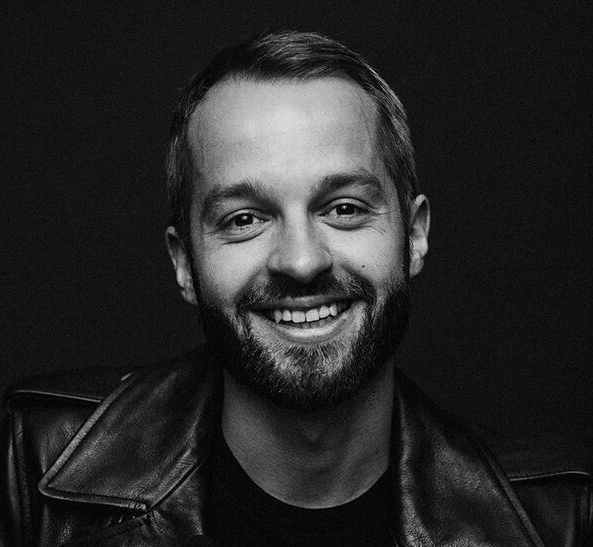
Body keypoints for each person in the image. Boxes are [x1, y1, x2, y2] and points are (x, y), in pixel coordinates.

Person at [1, 30, 591, 547]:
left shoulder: (560, 519)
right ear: (184, 263)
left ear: (413, 237)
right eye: (245, 219)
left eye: (343, 208)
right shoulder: (32, 460)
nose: (302, 261)